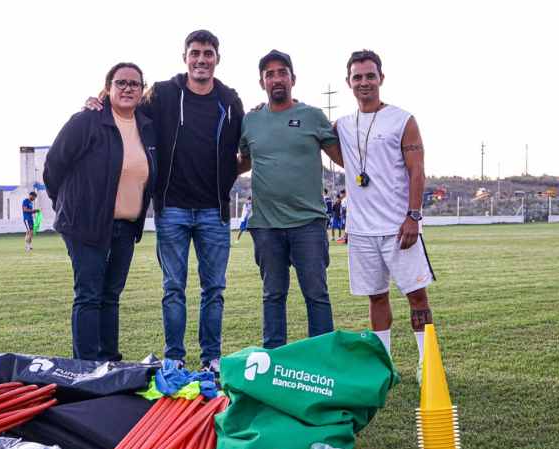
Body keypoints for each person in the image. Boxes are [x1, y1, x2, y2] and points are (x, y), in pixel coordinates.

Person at [85, 30, 244, 374]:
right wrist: (97, 100)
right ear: (185, 57)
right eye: (195, 53)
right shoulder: (163, 94)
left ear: (218, 58)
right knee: (174, 288)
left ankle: (211, 359)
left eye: (208, 53)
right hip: (171, 208)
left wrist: (227, 180)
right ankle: (174, 357)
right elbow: (123, 106)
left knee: (213, 289)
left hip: (214, 211)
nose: (201, 60)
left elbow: (242, 151)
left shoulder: (230, 101)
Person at [44, 62, 157, 362]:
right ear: (108, 88)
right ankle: (86, 365)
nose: (128, 88)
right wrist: (66, 204)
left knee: (111, 296)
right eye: (121, 82)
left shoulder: (146, 127)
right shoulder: (87, 121)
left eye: (134, 83)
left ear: (142, 90)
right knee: (89, 295)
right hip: (87, 224)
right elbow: (54, 165)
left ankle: (109, 360)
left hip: (125, 227)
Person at [335, 50, 435, 382]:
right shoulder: (343, 125)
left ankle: (427, 362)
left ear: (381, 78)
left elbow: (417, 171)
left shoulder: (402, 119)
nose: (364, 82)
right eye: (357, 77)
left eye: (370, 75)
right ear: (349, 82)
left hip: (398, 226)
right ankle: (384, 365)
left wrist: (413, 217)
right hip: (361, 230)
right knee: (376, 296)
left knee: (416, 294)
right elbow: (308, 132)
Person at [238, 50, 342, 349]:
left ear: (293, 79)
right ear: (262, 82)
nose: (276, 78)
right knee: (272, 295)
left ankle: (323, 358)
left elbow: (343, 158)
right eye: (269, 74)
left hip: (308, 223)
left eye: (282, 72)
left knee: (316, 294)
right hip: (266, 225)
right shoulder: (251, 120)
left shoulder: (312, 116)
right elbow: (244, 161)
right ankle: (273, 359)